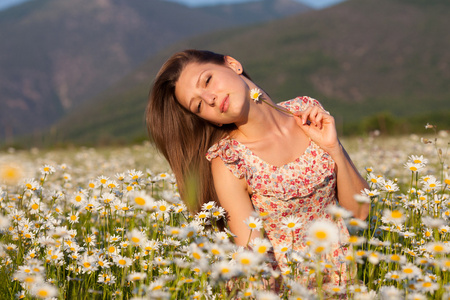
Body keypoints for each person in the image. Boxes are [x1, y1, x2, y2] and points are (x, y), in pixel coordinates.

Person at [146, 49, 370, 288]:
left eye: (208, 80)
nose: (210, 98)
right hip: (288, 289)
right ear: (213, 120)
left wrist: (333, 147)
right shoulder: (231, 162)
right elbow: (253, 261)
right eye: (199, 105)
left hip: (345, 280)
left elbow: (360, 215)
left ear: (232, 64)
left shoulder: (306, 111)